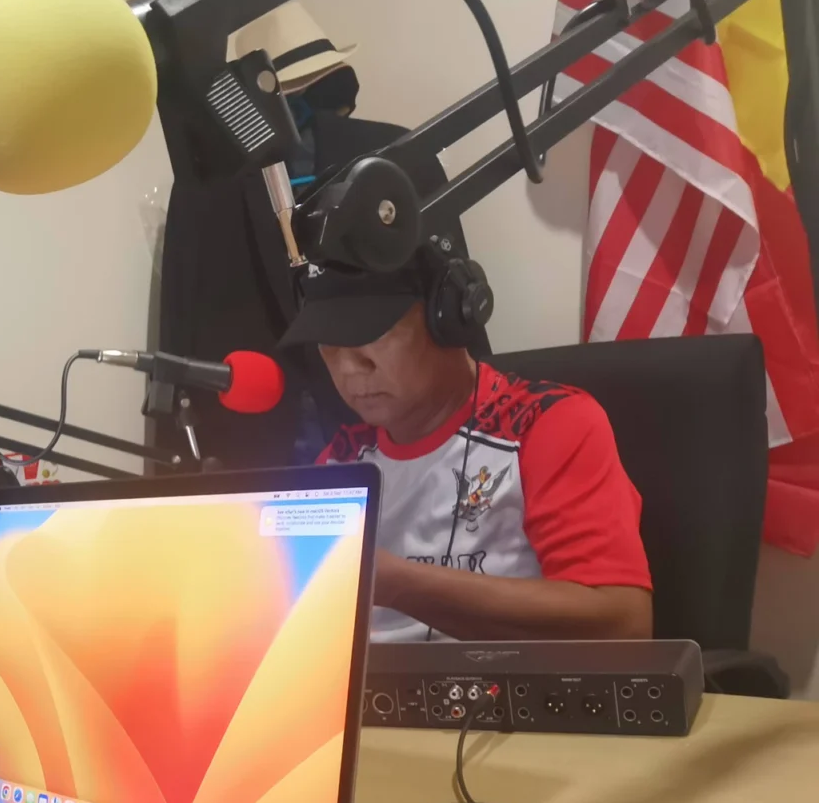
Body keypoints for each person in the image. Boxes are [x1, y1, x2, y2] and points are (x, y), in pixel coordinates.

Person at [280, 250, 653, 642]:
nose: (349, 367)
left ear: (448, 319)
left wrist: (396, 584)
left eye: (370, 335)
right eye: (328, 343)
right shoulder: (338, 460)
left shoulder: (547, 425)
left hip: (507, 678)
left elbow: (623, 624)